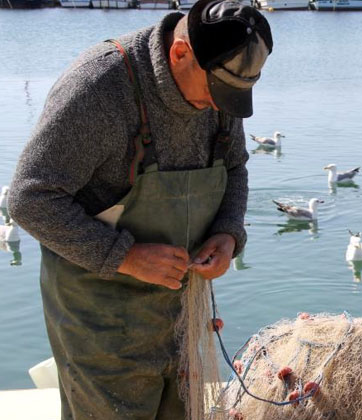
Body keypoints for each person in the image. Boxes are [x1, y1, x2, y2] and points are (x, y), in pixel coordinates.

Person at [8, 1, 272, 418]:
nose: (221, 107)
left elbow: (234, 166)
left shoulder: (222, 88)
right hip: (102, 329)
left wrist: (227, 232)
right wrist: (126, 257)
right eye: (215, 93)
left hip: (181, 322)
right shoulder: (100, 87)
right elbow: (29, 199)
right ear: (180, 53)